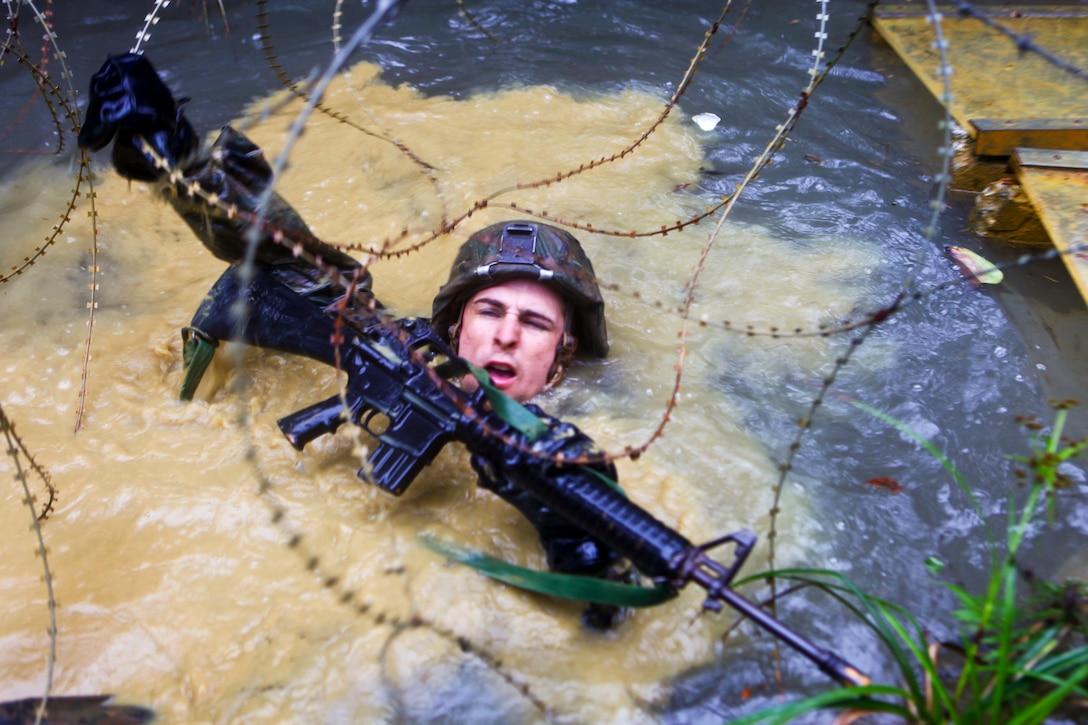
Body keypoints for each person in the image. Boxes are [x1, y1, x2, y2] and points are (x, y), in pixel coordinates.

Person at [78, 52, 630, 626]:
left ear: (564, 355)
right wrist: (179, 155)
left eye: (535, 323)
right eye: (490, 312)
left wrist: (585, 543)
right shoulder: (398, 351)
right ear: (457, 327)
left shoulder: (573, 445)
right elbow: (285, 256)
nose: (508, 335)